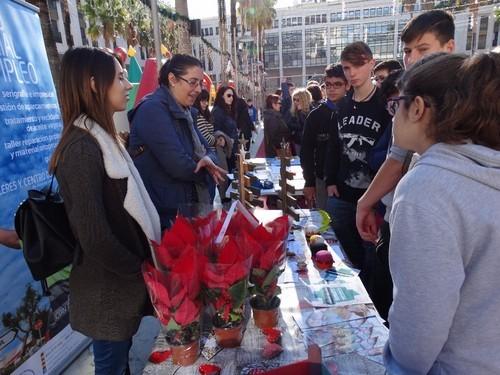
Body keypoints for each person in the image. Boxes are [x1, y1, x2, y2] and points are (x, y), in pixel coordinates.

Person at [385, 51, 500, 375]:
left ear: (418, 108)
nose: (393, 116)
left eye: (397, 105)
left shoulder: (426, 190)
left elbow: (418, 333)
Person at [50, 47, 162, 374]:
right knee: (112, 367)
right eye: (120, 77)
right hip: (107, 296)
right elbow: (95, 237)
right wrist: (143, 271)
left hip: (120, 289)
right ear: (94, 84)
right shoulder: (82, 147)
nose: (128, 85)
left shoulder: (103, 138)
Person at [356, 10, 456, 317]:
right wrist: (367, 203)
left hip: (444, 230)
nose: (412, 59)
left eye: (423, 50)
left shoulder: (462, 101)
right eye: (407, 51)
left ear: (449, 48)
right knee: (386, 301)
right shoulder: (411, 94)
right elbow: (395, 159)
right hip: (398, 221)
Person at [128, 54, 226, 229]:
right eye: (193, 82)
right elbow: (178, 165)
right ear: (172, 79)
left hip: (190, 209)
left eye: (201, 83)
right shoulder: (152, 110)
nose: (198, 89)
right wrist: (207, 169)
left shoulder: (187, 112)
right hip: (168, 216)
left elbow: (209, 150)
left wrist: (209, 161)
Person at [324, 42, 391, 284]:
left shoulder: (385, 105)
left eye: (358, 65)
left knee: (372, 262)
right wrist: (330, 180)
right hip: (342, 194)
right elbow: (334, 145)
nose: (351, 73)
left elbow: (392, 155)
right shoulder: (342, 106)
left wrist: (377, 200)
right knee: (344, 260)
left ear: (371, 64)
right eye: (346, 67)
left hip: (374, 199)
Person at [300, 64, 348, 209]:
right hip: (322, 179)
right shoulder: (315, 115)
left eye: (337, 84)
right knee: (325, 223)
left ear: (347, 85)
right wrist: (309, 182)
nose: (332, 89)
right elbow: (306, 151)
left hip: (350, 180)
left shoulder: (353, 110)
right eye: (328, 85)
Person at [212, 85, 239, 171]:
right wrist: (225, 139)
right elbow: (216, 131)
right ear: (221, 96)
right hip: (225, 152)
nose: (231, 98)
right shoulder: (217, 111)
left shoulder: (228, 110)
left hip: (232, 150)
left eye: (232, 96)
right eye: (228, 95)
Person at [288, 88, 312, 156]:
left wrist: (301, 112)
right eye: (294, 99)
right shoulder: (294, 111)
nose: (295, 102)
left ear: (304, 100)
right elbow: (289, 123)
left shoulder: (310, 111)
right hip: (297, 141)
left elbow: (304, 125)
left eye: (298, 100)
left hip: (307, 141)